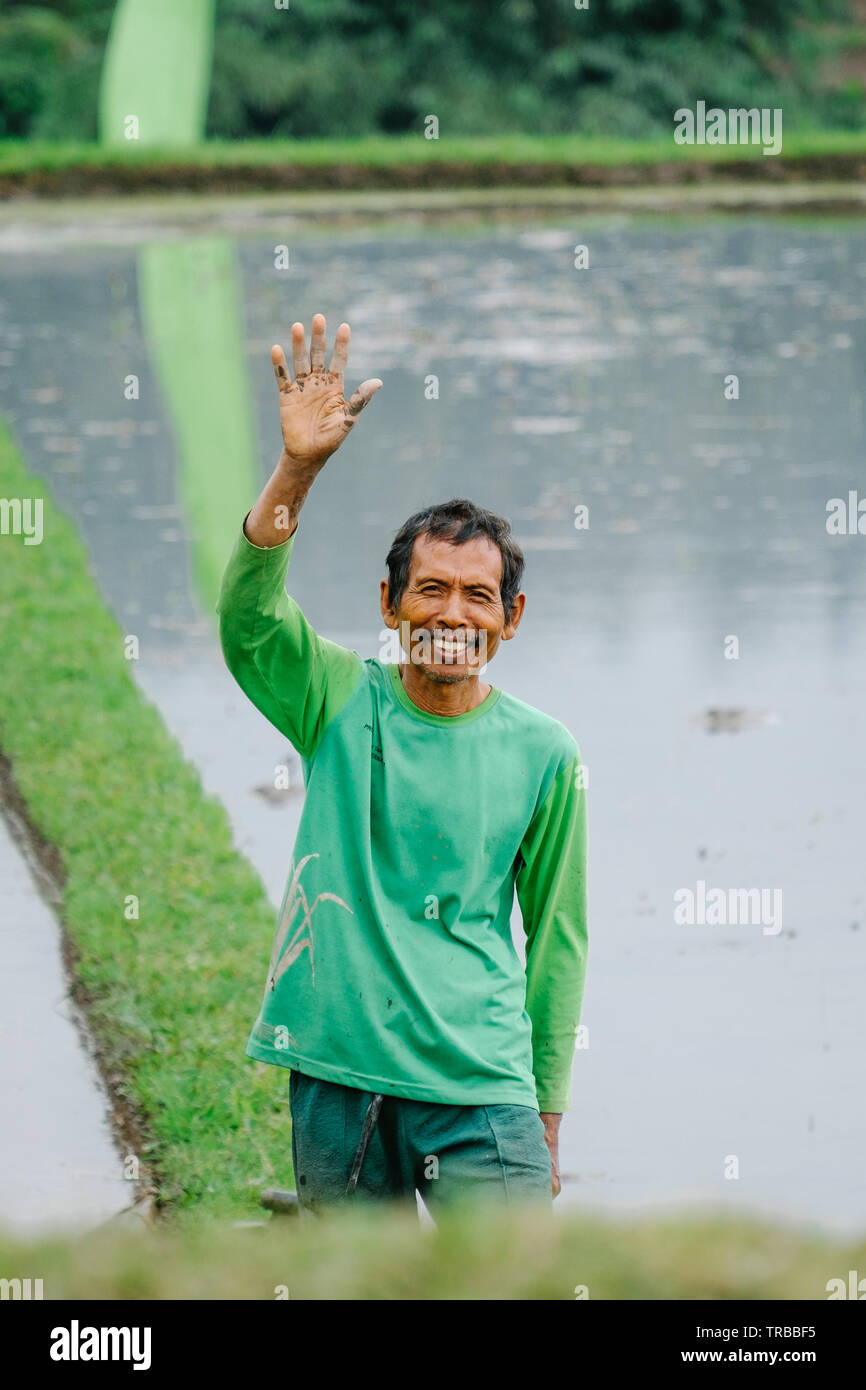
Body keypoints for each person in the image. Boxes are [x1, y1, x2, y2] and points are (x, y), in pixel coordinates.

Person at [217, 313, 588, 1214]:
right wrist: (298, 472)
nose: (453, 613)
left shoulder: (544, 751)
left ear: (512, 617)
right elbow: (250, 621)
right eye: (431, 588)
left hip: (479, 1081)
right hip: (341, 1067)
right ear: (390, 602)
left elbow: (558, 939)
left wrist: (544, 1105)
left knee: (507, 1285)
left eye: (478, 595)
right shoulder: (339, 700)